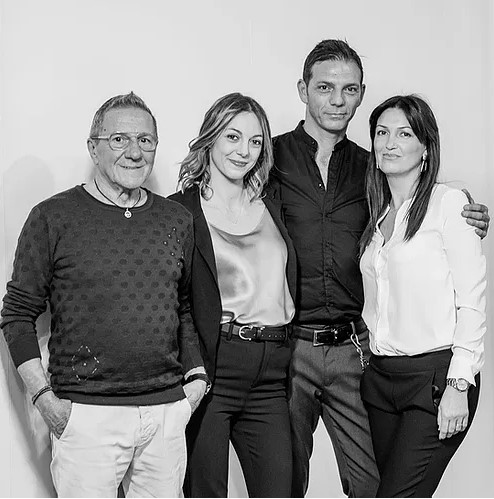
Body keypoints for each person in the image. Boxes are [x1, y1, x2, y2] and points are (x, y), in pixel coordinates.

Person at [269, 39, 490, 497]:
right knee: (283, 482)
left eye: (349, 89)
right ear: (303, 90)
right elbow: (225, 203)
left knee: (373, 485)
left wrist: (468, 212)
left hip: (357, 352)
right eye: (325, 87)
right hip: (293, 348)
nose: (337, 100)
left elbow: (426, 206)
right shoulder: (269, 160)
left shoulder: (375, 169)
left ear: (361, 94)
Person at [0, 92, 207, 498]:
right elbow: (17, 313)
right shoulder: (52, 217)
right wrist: (45, 400)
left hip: (165, 414)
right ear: (93, 148)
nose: (134, 152)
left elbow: (182, 307)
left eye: (145, 140)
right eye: (119, 139)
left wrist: (196, 378)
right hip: (86, 417)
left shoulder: (176, 219)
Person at [169, 92, 296, 498]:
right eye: (233, 137)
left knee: (280, 490)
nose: (244, 151)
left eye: (255, 141)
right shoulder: (179, 212)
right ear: (211, 138)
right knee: (206, 491)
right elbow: (172, 302)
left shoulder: (274, 204)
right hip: (214, 368)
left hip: (272, 373)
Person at [359, 94, 486, 497]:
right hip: (381, 381)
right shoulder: (378, 218)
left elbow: (471, 301)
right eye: (382, 133)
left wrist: (459, 384)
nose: (389, 143)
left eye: (404, 134)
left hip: (434, 380)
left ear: (426, 148)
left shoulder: (449, 204)